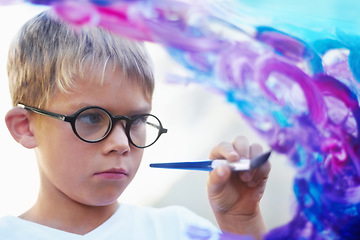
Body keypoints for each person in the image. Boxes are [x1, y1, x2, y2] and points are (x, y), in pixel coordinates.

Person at [0, 10, 271, 240]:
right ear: (25, 126)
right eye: (91, 118)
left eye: (137, 120)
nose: (120, 143)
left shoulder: (180, 231)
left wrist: (241, 222)